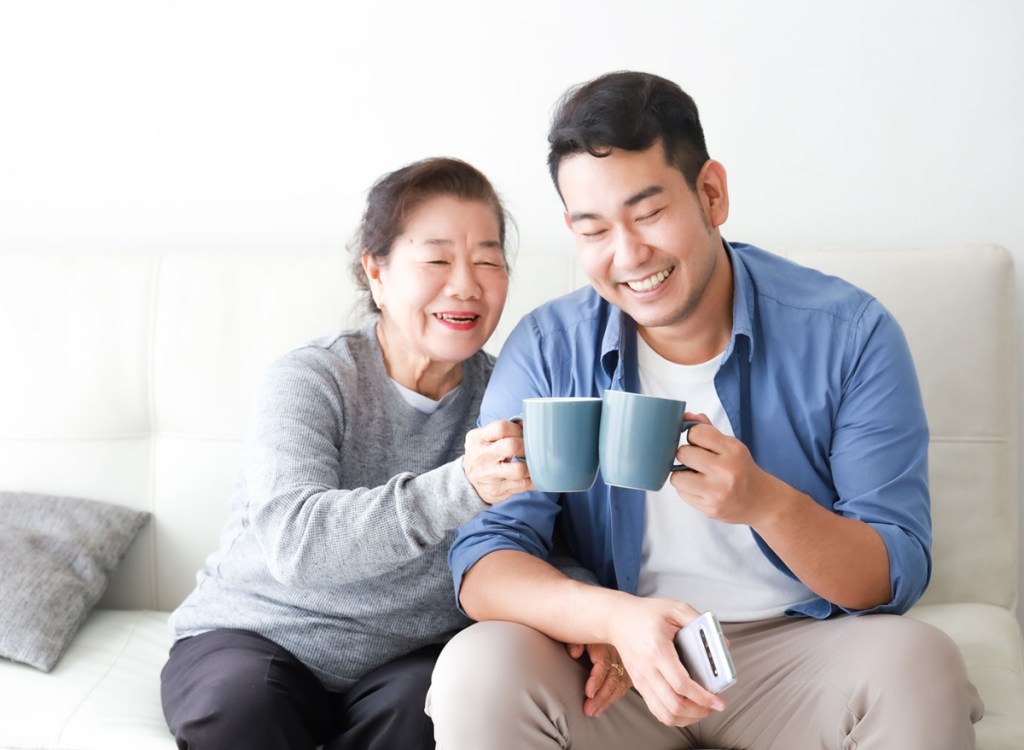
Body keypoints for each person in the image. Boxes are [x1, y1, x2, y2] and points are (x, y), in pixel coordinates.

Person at [427, 72, 985, 749]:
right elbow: (487, 556)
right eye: (594, 228)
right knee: (478, 665)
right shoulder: (548, 347)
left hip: (799, 652)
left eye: (649, 213)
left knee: (920, 662)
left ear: (711, 194)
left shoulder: (849, 333)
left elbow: (893, 573)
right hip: (621, 669)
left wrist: (766, 504)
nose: (628, 255)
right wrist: (614, 620)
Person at [160, 156, 532, 750]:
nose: (465, 283)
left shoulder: (509, 393)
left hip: (406, 660)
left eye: (488, 260)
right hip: (259, 635)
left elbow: (544, 540)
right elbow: (295, 542)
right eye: (436, 259)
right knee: (241, 710)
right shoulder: (311, 378)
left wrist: (597, 620)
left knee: (430, 712)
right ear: (376, 273)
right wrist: (464, 485)